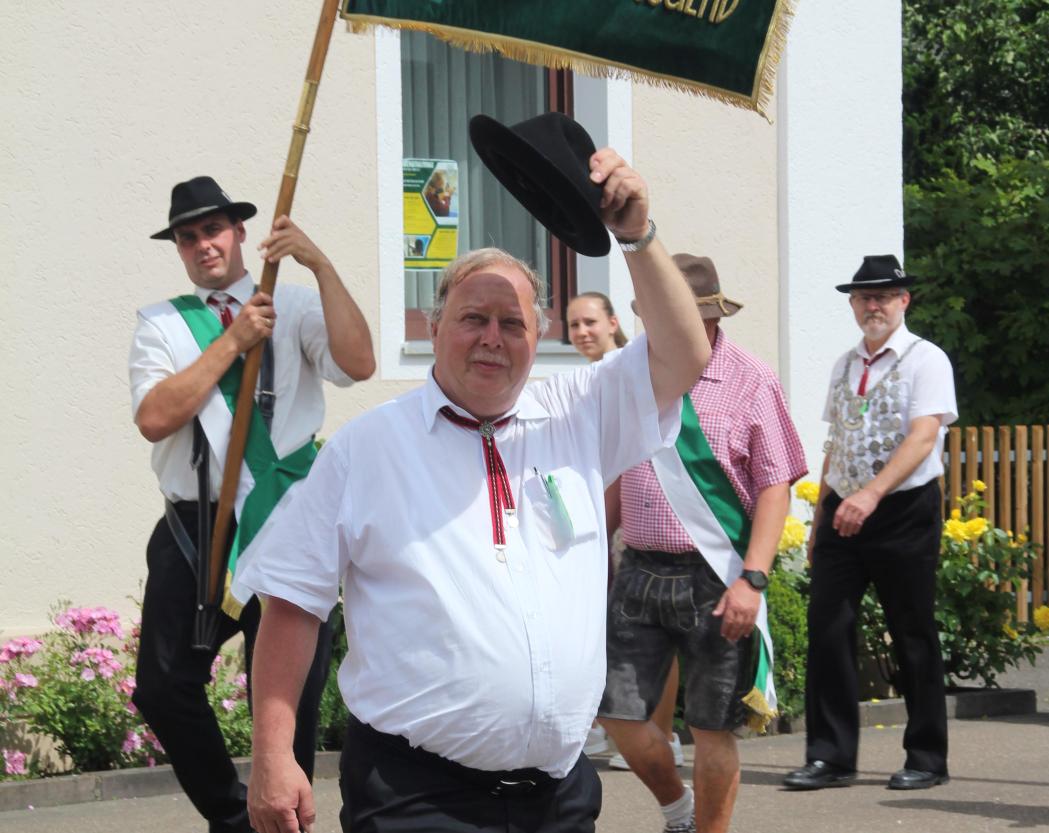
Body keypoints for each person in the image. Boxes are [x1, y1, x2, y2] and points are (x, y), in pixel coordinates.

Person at [234, 148, 712, 833]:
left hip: (558, 798)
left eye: (512, 322)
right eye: (473, 318)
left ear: (539, 334)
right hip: (416, 798)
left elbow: (684, 354)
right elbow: (293, 604)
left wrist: (637, 236)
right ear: (434, 328)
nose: (493, 337)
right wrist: (274, 755)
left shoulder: (577, 413)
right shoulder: (366, 448)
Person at [129, 175, 375, 833]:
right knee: (162, 686)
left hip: (289, 518)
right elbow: (156, 416)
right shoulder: (161, 323)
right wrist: (233, 343)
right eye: (188, 236)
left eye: (213, 229)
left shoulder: (292, 304)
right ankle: (233, 814)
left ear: (240, 232)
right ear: (179, 248)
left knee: (285, 701)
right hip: (196, 525)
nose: (203, 243)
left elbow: (360, 361)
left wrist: (319, 263)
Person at [598, 253, 806, 833]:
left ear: (706, 318)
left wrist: (754, 578)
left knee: (712, 726)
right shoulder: (628, 372)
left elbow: (774, 484)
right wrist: (593, 554)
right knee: (614, 714)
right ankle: (678, 810)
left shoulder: (750, 377)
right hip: (637, 568)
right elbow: (615, 470)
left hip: (717, 576)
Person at [783, 254, 957, 792]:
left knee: (912, 632)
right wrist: (820, 520)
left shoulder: (926, 359)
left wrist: (874, 494)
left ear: (904, 301)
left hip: (903, 509)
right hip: (845, 512)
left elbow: (923, 437)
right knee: (828, 628)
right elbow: (838, 442)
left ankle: (926, 758)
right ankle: (831, 756)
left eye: (884, 296)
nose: (873, 305)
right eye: (864, 298)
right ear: (854, 306)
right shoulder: (844, 364)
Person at [565, 292, 680, 769]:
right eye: (572, 325)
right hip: (606, 512)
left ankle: (662, 731)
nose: (582, 332)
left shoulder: (623, 372)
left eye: (590, 321)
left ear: (614, 322)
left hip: (638, 513)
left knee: (652, 632)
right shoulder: (584, 379)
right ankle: (612, 725)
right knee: (611, 630)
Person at [567, 291, 628, 361]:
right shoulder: (587, 371)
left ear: (612, 324)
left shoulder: (635, 367)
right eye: (574, 325)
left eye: (590, 322)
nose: (581, 332)